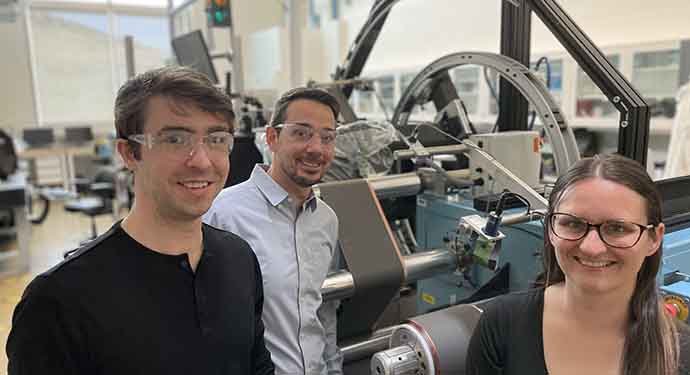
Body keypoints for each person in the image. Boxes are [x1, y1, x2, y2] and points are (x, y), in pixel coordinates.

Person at [6, 66, 274, 375]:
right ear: (129, 153)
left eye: (216, 139)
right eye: (175, 139)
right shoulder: (59, 301)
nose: (202, 161)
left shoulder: (239, 258)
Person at [466, 154, 690, 375]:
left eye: (618, 228)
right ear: (551, 231)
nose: (591, 247)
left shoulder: (681, 352)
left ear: (654, 239)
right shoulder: (501, 325)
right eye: (573, 224)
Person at [204, 87, 343, 375]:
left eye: (327, 137)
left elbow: (323, 314)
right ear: (272, 138)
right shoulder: (222, 214)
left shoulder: (326, 220)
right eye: (301, 133)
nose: (316, 148)